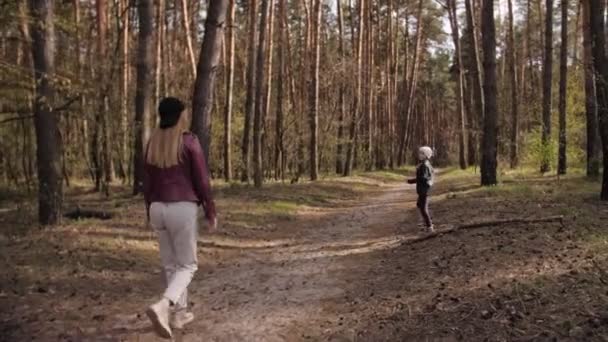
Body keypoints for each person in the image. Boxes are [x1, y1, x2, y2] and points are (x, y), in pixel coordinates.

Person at [143, 97, 217, 338]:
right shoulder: (188, 141)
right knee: (188, 265)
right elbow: (202, 180)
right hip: (181, 207)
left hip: (157, 208)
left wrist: (148, 212)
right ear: (179, 116)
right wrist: (210, 210)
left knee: (171, 265)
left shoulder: (152, 143)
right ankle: (165, 305)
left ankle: (180, 314)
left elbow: (147, 183)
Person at [407, 146, 435, 233]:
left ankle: (429, 226)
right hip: (422, 190)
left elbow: (424, 178)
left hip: (424, 191)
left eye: (421, 153)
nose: (419, 155)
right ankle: (424, 224)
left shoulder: (425, 165)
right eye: (419, 153)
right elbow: (422, 178)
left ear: (426, 155)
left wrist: (412, 180)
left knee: (423, 209)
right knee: (419, 205)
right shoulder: (424, 164)